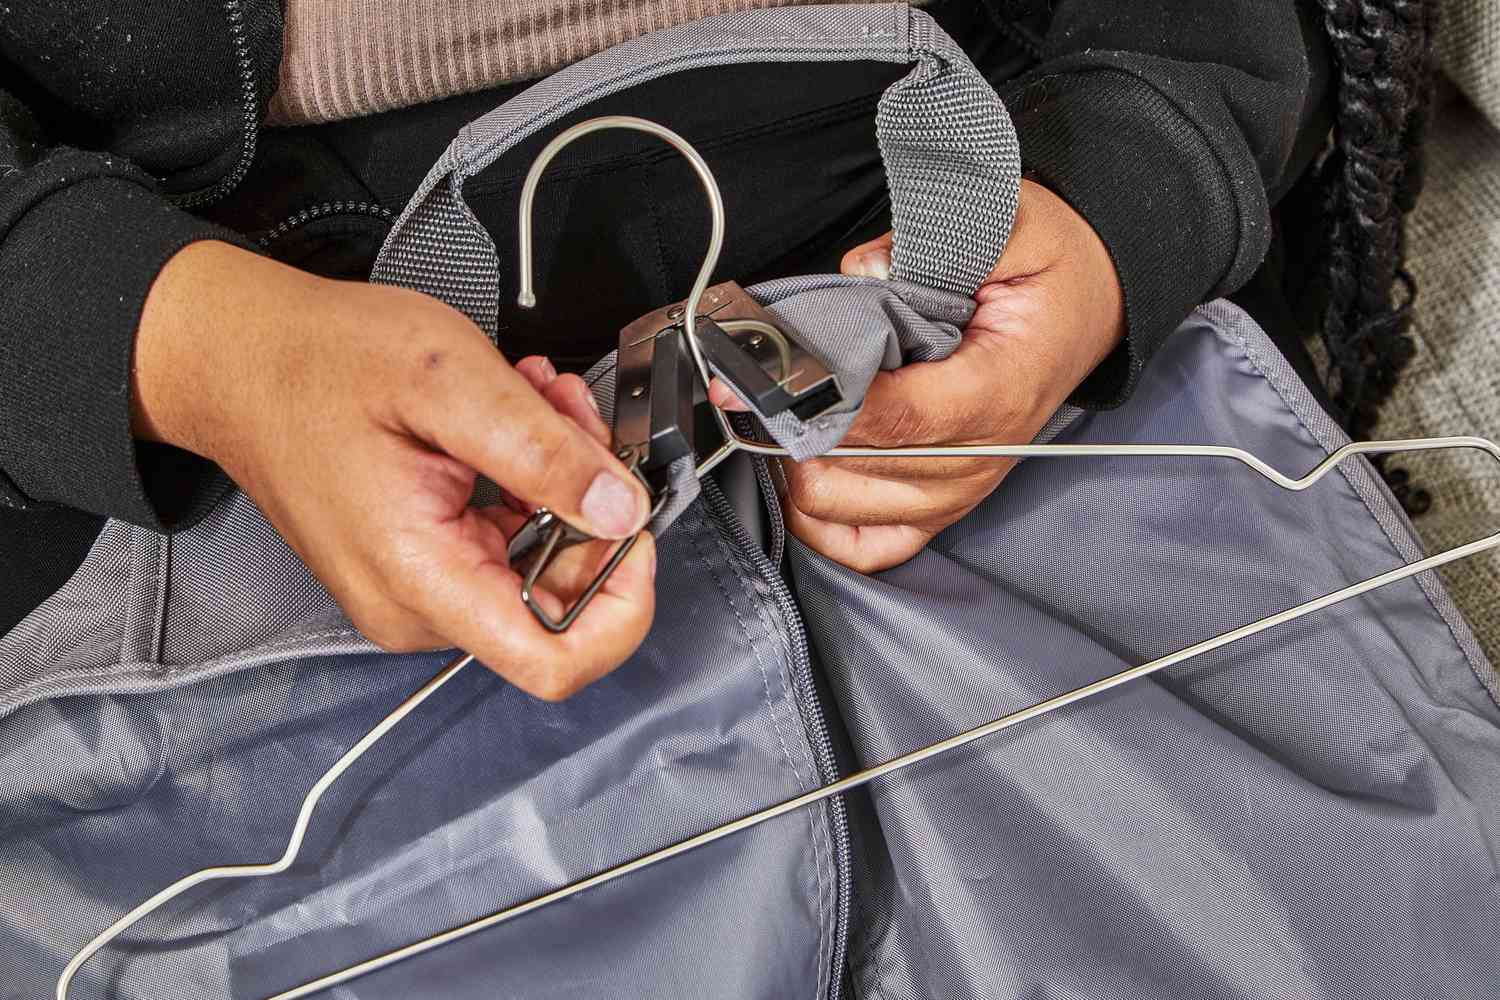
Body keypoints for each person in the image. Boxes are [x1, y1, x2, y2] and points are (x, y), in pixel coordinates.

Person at [0, 0, 1334, 699]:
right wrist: (178, 345)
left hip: (974, 291)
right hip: (185, 458)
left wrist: (1123, 191)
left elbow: (1201, 29)